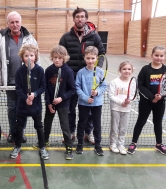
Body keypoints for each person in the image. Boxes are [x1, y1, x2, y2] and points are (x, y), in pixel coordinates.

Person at [59, 7, 106, 144]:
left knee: (89, 108)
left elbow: (101, 53)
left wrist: (98, 67)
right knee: (70, 108)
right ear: (74, 19)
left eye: (82, 17)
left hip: (88, 79)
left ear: (86, 19)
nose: (80, 19)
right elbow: (61, 55)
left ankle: (88, 133)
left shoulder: (94, 36)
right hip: (71, 78)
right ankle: (71, 132)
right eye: (77, 17)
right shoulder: (66, 37)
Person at [0, 11, 40, 143]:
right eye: (12, 22)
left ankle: (20, 132)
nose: (14, 24)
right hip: (9, 81)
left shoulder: (30, 38)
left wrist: (36, 78)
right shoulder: (0, 38)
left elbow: (37, 58)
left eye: (17, 22)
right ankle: (12, 132)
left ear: (21, 22)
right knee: (11, 108)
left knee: (23, 109)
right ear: (7, 23)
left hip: (26, 81)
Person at [127, 46, 166, 156]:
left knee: (158, 123)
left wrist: (161, 96)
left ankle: (159, 144)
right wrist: (151, 97)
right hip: (146, 102)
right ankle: (134, 143)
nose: (158, 58)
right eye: (156, 55)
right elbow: (140, 86)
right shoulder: (145, 69)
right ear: (152, 55)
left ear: (164, 56)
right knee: (141, 121)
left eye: (161, 56)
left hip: (160, 102)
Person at [33, 45, 75, 160]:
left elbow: (73, 90)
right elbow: (45, 88)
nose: (57, 60)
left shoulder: (68, 71)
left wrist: (62, 98)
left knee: (65, 126)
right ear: (52, 57)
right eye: (55, 57)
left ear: (64, 58)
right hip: (50, 104)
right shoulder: (49, 70)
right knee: (47, 124)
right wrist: (48, 103)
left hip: (63, 104)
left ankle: (69, 148)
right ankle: (45, 141)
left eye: (60, 58)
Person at [10, 44, 49, 160]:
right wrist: (25, 98)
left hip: (36, 106)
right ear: (22, 58)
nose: (29, 58)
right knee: (19, 127)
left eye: (31, 55)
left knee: (39, 127)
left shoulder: (40, 71)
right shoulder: (19, 72)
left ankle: (42, 147)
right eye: (26, 55)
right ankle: (17, 146)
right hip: (22, 106)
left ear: (35, 57)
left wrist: (34, 94)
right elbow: (18, 89)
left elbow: (43, 87)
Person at [75, 46, 106, 156]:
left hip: (97, 104)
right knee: (82, 123)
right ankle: (79, 144)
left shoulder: (100, 72)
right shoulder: (80, 73)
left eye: (93, 58)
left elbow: (104, 86)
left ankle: (98, 145)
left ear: (97, 58)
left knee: (97, 125)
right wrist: (85, 97)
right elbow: (77, 87)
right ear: (84, 58)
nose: (90, 61)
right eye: (88, 58)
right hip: (84, 103)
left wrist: (97, 92)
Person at [108, 61, 134, 155]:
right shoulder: (114, 82)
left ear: (132, 70)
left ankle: (121, 144)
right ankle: (113, 144)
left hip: (126, 109)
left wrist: (128, 101)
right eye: (124, 69)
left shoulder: (133, 83)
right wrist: (121, 102)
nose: (127, 71)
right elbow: (111, 95)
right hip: (116, 108)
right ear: (120, 70)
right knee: (114, 128)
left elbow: (132, 95)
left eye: (129, 69)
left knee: (123, 128)